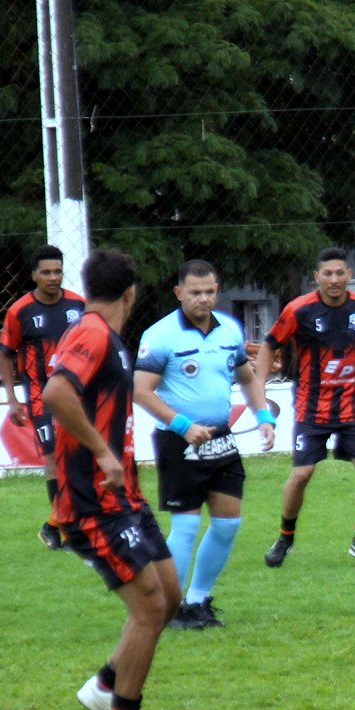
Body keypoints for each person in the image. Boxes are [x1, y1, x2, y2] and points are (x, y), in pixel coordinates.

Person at [42, 249, 180, 710]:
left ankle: (104, 687)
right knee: (149, 605)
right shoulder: (93, 333)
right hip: (92, 501)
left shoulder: (111, 339)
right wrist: (102, 454)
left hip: (125, 498)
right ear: (131, 293)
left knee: (169, 596)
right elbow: (57, 393)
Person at [134, 260, 276, 630]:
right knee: (185, 527)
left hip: (221, 440)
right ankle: (172, 605)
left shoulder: (228, 329)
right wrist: (182, 425)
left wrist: (264, 417)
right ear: (179, 292)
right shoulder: (161, 335)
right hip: (178, 442)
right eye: (196, 292)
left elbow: (247, 378)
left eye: (210, 291)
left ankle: (198, 599)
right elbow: (140, 390)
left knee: (228, 524)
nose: (204, 298)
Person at [258, 248, 355, 568]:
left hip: (354, 410)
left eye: (339, 273)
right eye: (327, 274)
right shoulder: (299, 310)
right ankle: (285, 538)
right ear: (316, 277)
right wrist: (259, 393)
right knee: (302, 474)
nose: (333, 279)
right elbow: (269, 345)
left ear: (349, 275)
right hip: (311, 410)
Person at [0, 245, 86, 549]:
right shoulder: (19, 311)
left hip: (76, 397)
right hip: (40, 398)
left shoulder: (79, 306)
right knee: (54, 462)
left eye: (57, 271)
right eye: (46, 272)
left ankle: (53, 525)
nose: (52, 277)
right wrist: (11, 399)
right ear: (34, 275)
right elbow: (5, 354)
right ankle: (64, 531)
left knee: (79, 462)